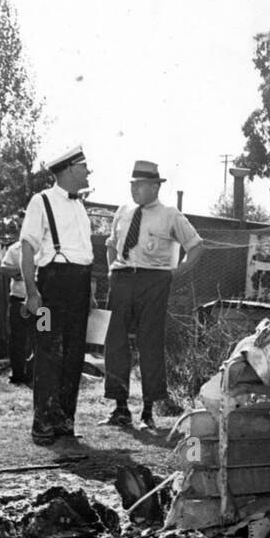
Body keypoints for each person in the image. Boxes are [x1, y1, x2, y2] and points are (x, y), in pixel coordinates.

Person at [103, 160, 204, 430]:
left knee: (150, 344)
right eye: (132, 185)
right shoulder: (123, 211)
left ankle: (148, 411)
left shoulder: (171, 215)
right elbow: (111, 244)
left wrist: (175, 273)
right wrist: (112, 271)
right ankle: (120, 407)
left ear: (154, 187)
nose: (135, 190)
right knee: (115, 342)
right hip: (123, 278)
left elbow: (195, 246)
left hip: (154, 279)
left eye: (140, 186)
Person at [19, 145, 94, 445]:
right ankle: (43, 421)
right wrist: (31, 292)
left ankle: (65, 418)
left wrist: (88, 292)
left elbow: (85, 254)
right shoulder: (42, 201)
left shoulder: (79, 206)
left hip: (78, 285)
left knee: (74, 353)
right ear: (69, 170)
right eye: (84, 167)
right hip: (50, 287)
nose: (88, 172)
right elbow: (27, 248)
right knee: (47, 349)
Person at [0, 232, 33, 385]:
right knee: (17, 338)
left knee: (43, 334)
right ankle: (18, 373)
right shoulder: (15, 248)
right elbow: (4, 268)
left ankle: (37, 371)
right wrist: (23, 272)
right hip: (18, 299)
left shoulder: (47, 247)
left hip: (43, 303)